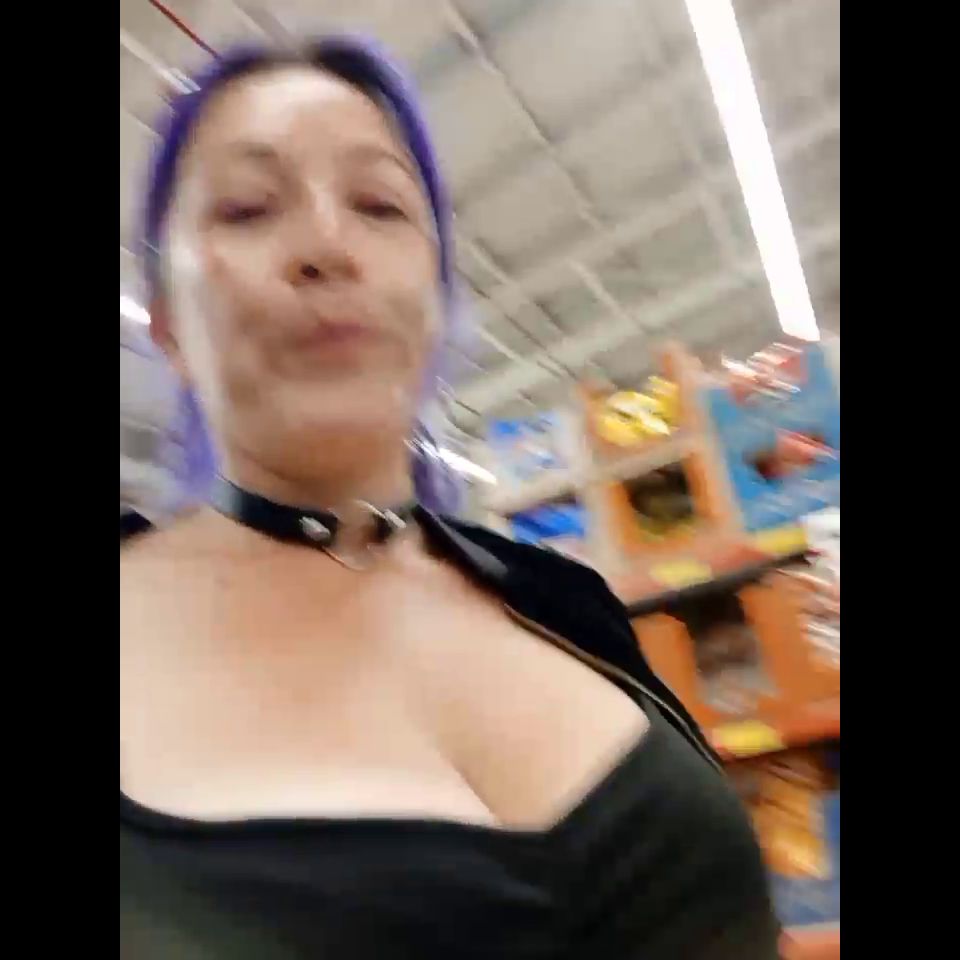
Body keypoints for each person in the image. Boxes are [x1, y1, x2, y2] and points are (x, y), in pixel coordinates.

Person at [120, 36, 781, 959]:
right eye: (248, 207)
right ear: (167, 326)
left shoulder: (569, 608)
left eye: (380, 205)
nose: (327, 245)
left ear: (434, 297)